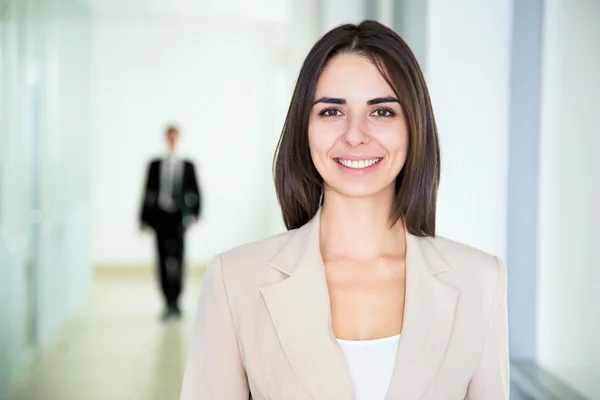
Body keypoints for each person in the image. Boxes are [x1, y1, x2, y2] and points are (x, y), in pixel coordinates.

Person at [180, 20, 508, 400]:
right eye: (331, 112)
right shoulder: (233, 280)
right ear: (304, 128)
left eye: (382, 112)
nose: (355, 134)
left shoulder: (481, 282)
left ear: (413, 126)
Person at [139, 124, 201, 321]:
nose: (172, 140)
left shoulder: (188, 164)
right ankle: (167, 302)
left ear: (179, 138)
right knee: (162, 260)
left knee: (179, 260)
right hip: (160, 218)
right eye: (169, 136)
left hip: (179, 218)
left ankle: (177, 301)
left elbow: (196, 191)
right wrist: (143, 218)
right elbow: (147, 192)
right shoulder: (155, 164)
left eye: (175, 136)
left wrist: (196, 213)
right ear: (165, 138)